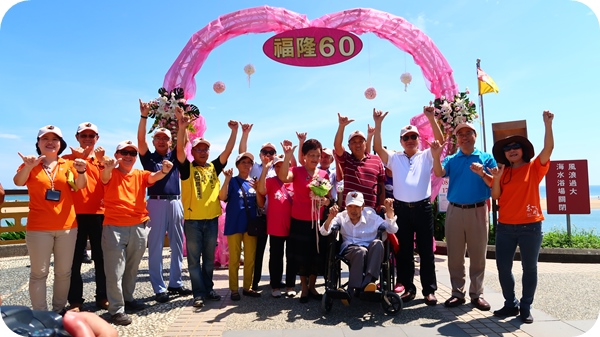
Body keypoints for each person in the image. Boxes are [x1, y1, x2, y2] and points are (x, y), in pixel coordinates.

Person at [373, 107, 444, 306]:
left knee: (426, 251)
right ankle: (408, 288)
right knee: (404, 251)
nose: (411, 139)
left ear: (419, 139)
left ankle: (429, 290)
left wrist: (431, 118)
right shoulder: (394, 158)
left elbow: (439, 143)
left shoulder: (426, 155)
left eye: (414, 136)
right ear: (401, 141)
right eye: (406, 137)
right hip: (402, 209)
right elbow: (378, 148)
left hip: (422, 208)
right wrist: (378, 124)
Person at [13, 125, 88, 312]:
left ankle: (58, 310)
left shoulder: (68, 165)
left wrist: (81, 171)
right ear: (38, 143)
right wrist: (29, 166)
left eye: (55, 139)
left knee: (63, 272)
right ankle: (40, 313)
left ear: (60, 144)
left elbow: (80, 186)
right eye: (45, 139)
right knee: (39, 273)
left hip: (67, 226)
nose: (50, 142)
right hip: (39, 228)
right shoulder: (30, 164)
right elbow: (18, 181)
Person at [489, 111, 554, 323]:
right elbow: (496, 196)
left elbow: (548, 149)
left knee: (530, 267)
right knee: (503, 267)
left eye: (515, 147)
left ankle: (526, 306)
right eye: (507, 149)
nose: (511, 151)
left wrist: (547, 124)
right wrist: (496, 178)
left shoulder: (534, 168)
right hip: (505, 227)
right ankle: (510, 304)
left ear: (523, 150)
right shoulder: (502, 172)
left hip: (530, 227)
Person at [100, 140, 172, 325]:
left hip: (138, 226)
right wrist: (108, 166)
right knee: (115, 271)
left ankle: (128, 299)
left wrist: (164, 171)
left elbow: (153, 178)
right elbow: (105, 177)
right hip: (114, 227)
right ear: (117, 155)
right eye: (124, 152)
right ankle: (116, 309)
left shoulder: (140, 174)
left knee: (132, 268)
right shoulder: (110, 172)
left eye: (132, 153)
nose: (129, 156)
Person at [432, 123, 497, 311]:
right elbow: (439, 173)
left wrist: (481, 172)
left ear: (475, 135)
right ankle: (457, 293)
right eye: (460, 134)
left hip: (478, 209)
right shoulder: (452, 159)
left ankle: (477, 294)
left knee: (478, 255)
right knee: (455, 254)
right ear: (457, 139)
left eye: (468, 133)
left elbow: (494, 182)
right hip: (455, 210)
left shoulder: (486, 157)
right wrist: (436, 155)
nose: (464, 137)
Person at [176, 116, 239, 308]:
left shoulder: (213, 167)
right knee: (194, 260)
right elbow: (179, 150)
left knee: (210, 259)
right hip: (193, 221)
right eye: (199, 149)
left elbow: (227, 152)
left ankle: (208, 288)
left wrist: (234, 131)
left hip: (211, 220)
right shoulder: (187, 168)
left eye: (205, 149)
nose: (203, 152)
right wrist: (182, 127)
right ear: (193, 151)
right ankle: (198, 293)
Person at [138, 101, 191, 303]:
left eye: (165, 138)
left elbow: (183, 144)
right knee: (156, 245)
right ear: (154, 142)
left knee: (178, 244)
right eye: (158, 138)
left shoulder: (176, 156)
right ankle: (159, 288)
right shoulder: (148, 158)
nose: (161, 141)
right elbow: (140, 140)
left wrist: (181, 123)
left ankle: (175, 283)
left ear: (170, 141)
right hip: (156, 203)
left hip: (176, 202)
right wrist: (144, 117)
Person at [278, 138, 332, 303]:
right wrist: (288, 155)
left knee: (316, 254)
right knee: (301, 255)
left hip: (317, 222)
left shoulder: (323, 174)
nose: (315, 159)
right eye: (311, 155)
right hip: (299, 220)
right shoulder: (297, 170)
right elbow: (283, 177)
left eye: (317, 155)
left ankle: (313, 286)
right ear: (304, 156)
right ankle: (303, 287)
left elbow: (329, 198)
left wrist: (325, 201)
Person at [320, 192, 397, 303]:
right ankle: (353, 289)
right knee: (361, 251)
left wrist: (389, 213)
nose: (353, 210)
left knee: (378, 244)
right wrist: (330, 218)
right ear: (346, 206)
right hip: (350, 249)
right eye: (350, 206)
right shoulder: (341, 216)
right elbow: (324, 232)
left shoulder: (371, 216)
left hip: (370, 250)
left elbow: (392, 229)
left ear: (363, 206)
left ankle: (367, 282)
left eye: (357, 206)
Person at [64, 122, 108, 311]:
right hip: (74, 215)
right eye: (84, 136)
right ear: (76, 138)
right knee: (73, 261)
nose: (88, 139)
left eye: (91, 136)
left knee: (102, 259)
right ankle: (75, 300)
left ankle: (103, 297)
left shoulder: (103, 160)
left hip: (100, 214)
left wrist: (102, 162)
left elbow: (112, 183)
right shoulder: (66, 160)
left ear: (97, 138)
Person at [219, 153, 262, 300]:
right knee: (235, 259)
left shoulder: (254, 182)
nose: (247, 165)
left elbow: (261, 203)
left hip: (250, 225)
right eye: (243, 162)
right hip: (234, 224)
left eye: (249, 162)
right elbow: (222, 197)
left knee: (250, 258)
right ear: (237, 165)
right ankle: (234, 289)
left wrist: (258, 189)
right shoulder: (232, 181)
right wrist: (226, 179)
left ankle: (247, 287)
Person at [256, 154, 296, 298]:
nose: (280, 168)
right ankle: (275, 285)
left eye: (283, 165)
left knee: (291, 256)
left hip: (293, 225)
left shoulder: (293, 181)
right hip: (275, 226)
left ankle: (290, 285)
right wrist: (265, 169)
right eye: (277, 166)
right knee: (276, 257)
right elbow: (261, 191)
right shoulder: (271, 181)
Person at [334, 113, 386, 210]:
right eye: (353, 142)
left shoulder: (376, 160)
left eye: (360, 141)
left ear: (366, 143)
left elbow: (381, 183)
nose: (357, 145)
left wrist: (382, 204)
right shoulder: (347, 159)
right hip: (349, 211)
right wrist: (341, 126)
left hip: (371, 210)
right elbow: (337, 146)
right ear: (349, 146)